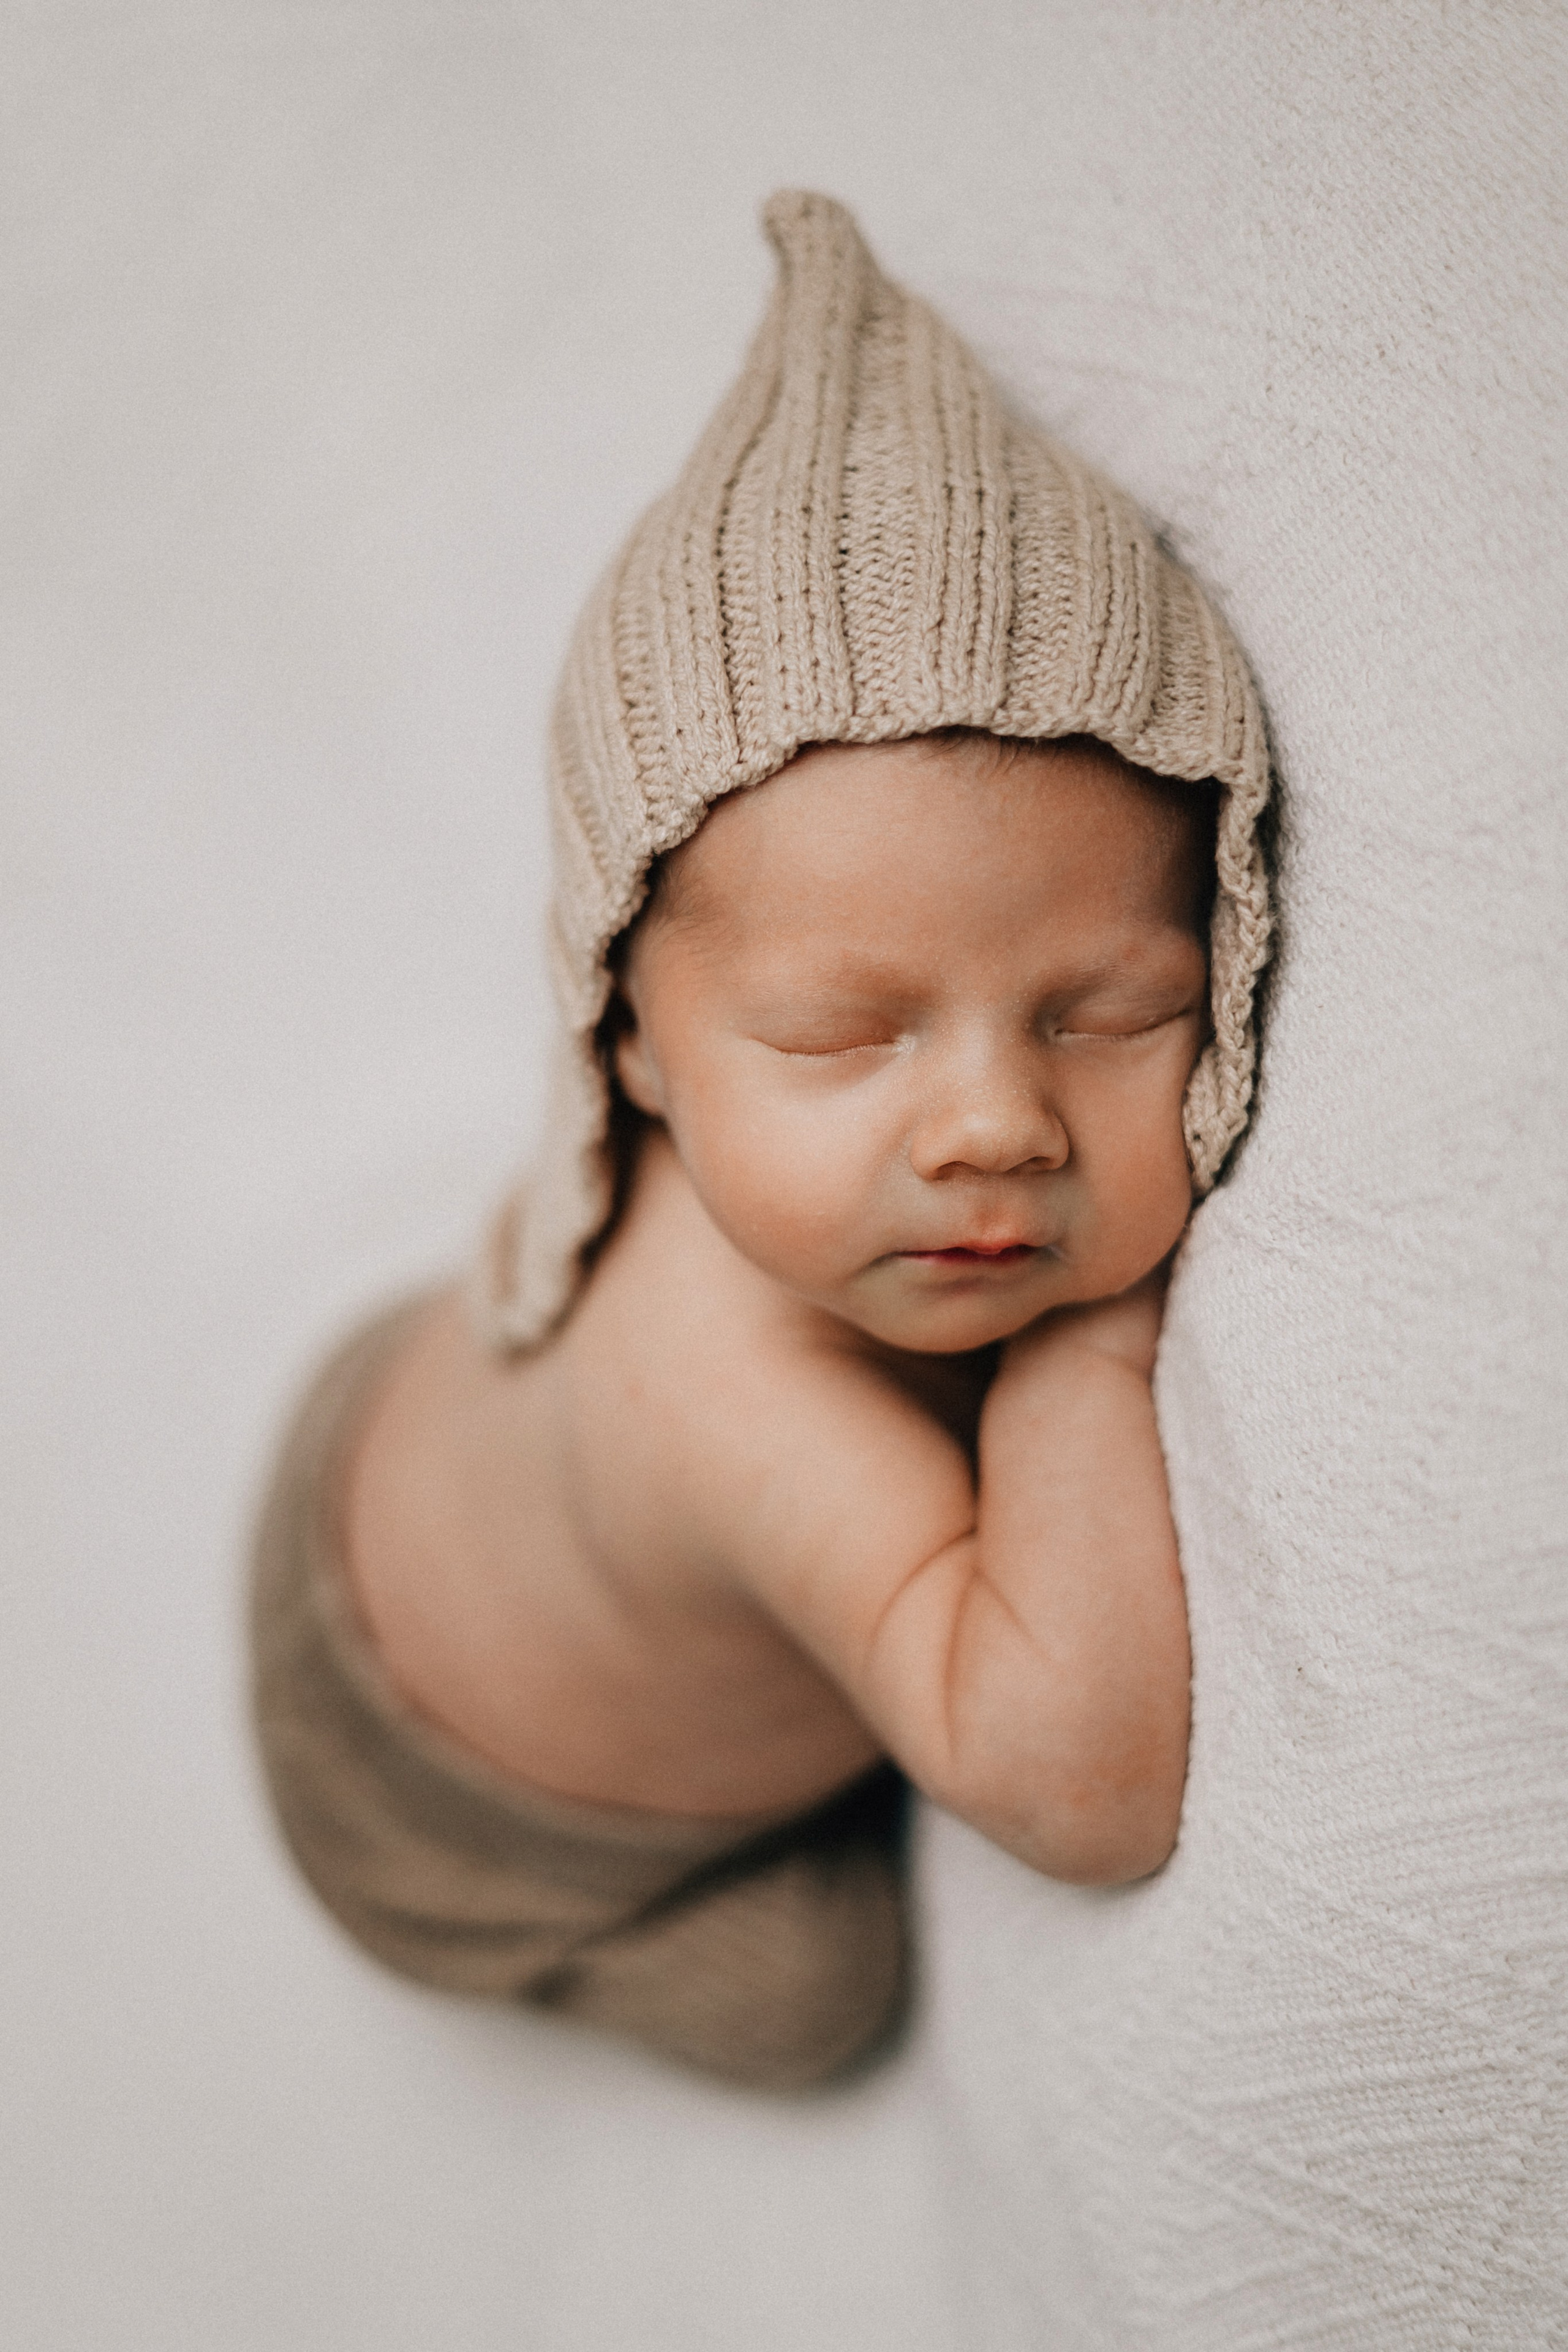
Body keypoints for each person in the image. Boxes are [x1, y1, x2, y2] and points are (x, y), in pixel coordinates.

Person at [251, 191, 1272, 2091]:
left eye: (1108, 1014)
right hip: (453, 1807)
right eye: (839, 1034)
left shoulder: (794, 1147)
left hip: (404, 1431)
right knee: (820, 2002)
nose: (993, 1124)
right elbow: (1080, 1786)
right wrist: (1085, 1345)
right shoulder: (742, 1399)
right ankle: (557, 1949)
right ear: (627, 1039)